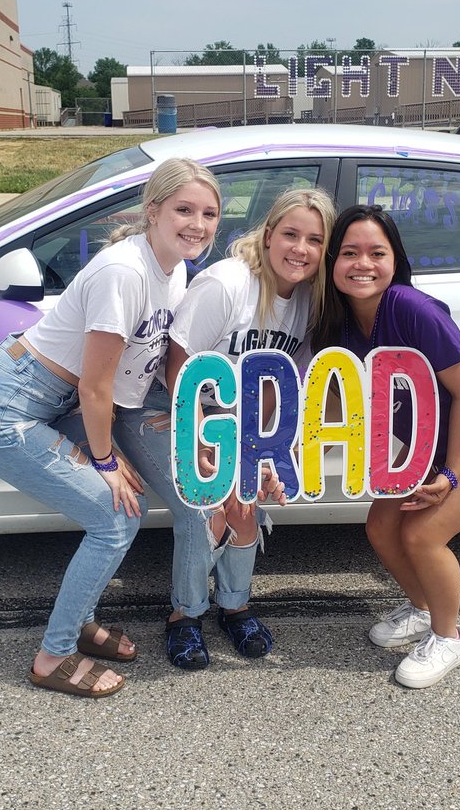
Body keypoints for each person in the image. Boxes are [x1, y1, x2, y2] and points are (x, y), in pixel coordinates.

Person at [0, 158, 221, 698]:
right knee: (114, 517)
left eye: (209, 214)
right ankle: (54, 655)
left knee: (120, 512)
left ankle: (81, 620)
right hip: (3, 408)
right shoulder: (125, 273)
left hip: (51, 400)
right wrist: (105, 461)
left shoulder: (173, 271)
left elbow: (135, 374)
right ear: (153, 211)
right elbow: (96, 387)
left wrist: (190, 428)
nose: (197, 224)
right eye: (184, 209)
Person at [316, 205, 460, 689]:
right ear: (332, 262)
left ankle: (448, 636)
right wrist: (292, 464)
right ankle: (422, 608)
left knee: (422, 534)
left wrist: (451, 474)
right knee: (381, 526)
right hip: (428, 443)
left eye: (377, 253)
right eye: (350, 253)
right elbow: (334, 410)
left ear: (395, 260)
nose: (363, 264)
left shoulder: (411, 308)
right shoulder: (338, 324)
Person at [120, 187, 335, 669]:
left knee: (246, 500)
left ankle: (235, 607)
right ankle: (185, 615)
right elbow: (177, 366)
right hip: (167, 405)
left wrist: (260, 449)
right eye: (291, 234)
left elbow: (276, 385)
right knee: (205, 502)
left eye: (315, 240)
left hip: (231, 418)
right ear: (269, 234)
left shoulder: (308, 301)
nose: (300, 249)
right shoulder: (228, 283)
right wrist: (204, 443)